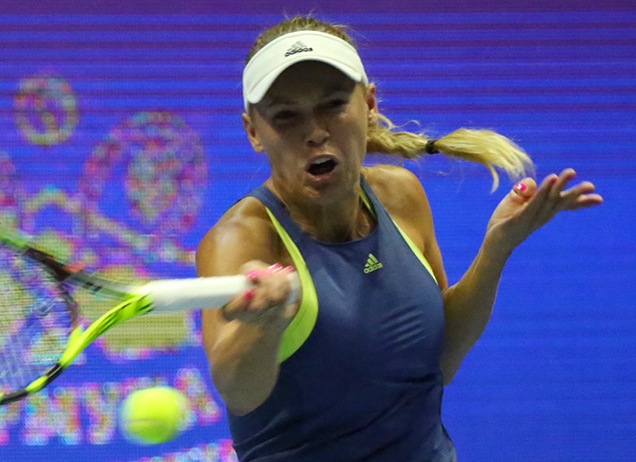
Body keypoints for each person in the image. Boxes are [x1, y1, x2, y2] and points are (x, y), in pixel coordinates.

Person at [197, 16, 603, 461]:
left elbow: (438, 360)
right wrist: (261, 325)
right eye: (286, 116)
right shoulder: (239, 239)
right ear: (253, 131)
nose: (314, 132)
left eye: (333, 104)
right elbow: (239, 392)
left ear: (369, 104)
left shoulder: (399, 194)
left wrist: (496, 248)